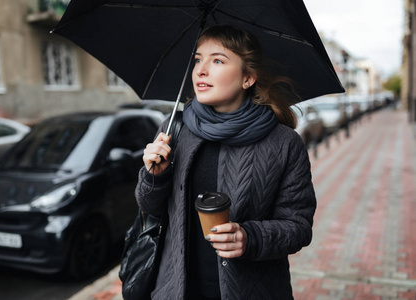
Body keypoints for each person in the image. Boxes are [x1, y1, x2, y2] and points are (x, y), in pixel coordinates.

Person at [135, 24, 316, 300]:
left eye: (217, 60)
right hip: (177, 290)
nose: (201, 70)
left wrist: (250, 237)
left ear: (248, 78)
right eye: (198, 59)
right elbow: (149, 208)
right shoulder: (174, 129)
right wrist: (154, 176)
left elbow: (299, 227)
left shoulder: (284, 143)